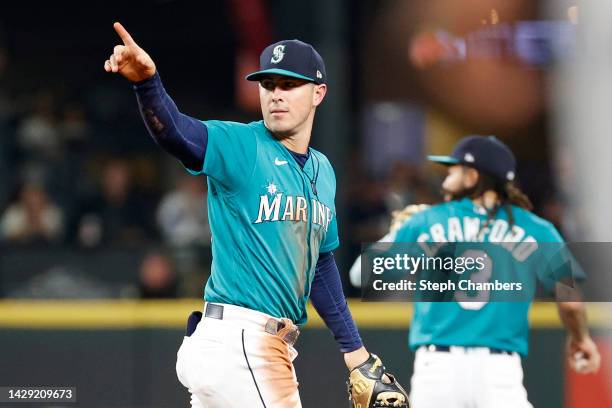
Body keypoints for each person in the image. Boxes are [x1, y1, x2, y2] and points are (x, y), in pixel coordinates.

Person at [104, 22, 408, 408]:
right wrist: (147, 83)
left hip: (249, 347)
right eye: (269, 85)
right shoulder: (244, 145)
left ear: (318, 93)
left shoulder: (324, 171)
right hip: (241, 342)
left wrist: (356, 353)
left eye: (289, 85)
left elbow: (319, 265)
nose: (276, 95)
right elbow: (176, 133)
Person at [350, 135, 601, 408]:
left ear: (472, 176)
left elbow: (360, 275)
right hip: (499, 372)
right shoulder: (538, 229)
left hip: (437, 371)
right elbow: (572, 303)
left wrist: (395, 234)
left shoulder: (428, 220)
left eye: (454, 168)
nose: (446, 174)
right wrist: (581, 339)